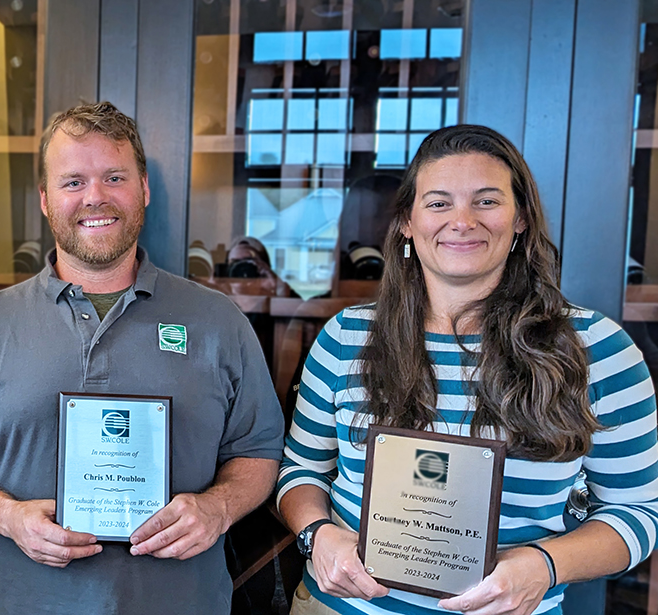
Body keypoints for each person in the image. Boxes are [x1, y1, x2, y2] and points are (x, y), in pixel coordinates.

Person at [0, 101, 286, 614]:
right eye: (73, 182)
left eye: (114, 177)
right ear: (45, 199)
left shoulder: (219, 322)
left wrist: (217, 509)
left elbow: (260, 451)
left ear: (144, 189)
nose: (95, 198)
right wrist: (7, 517)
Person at [278, 124, 658, 615]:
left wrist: (544, 565)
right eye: (438, 203)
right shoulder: (346, 338)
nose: (462, 221)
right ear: (406, 224)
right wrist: (318, 535)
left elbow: (640, 514)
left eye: (486, 201)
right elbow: (301, 471)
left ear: (520, 218)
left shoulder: (597, 350)